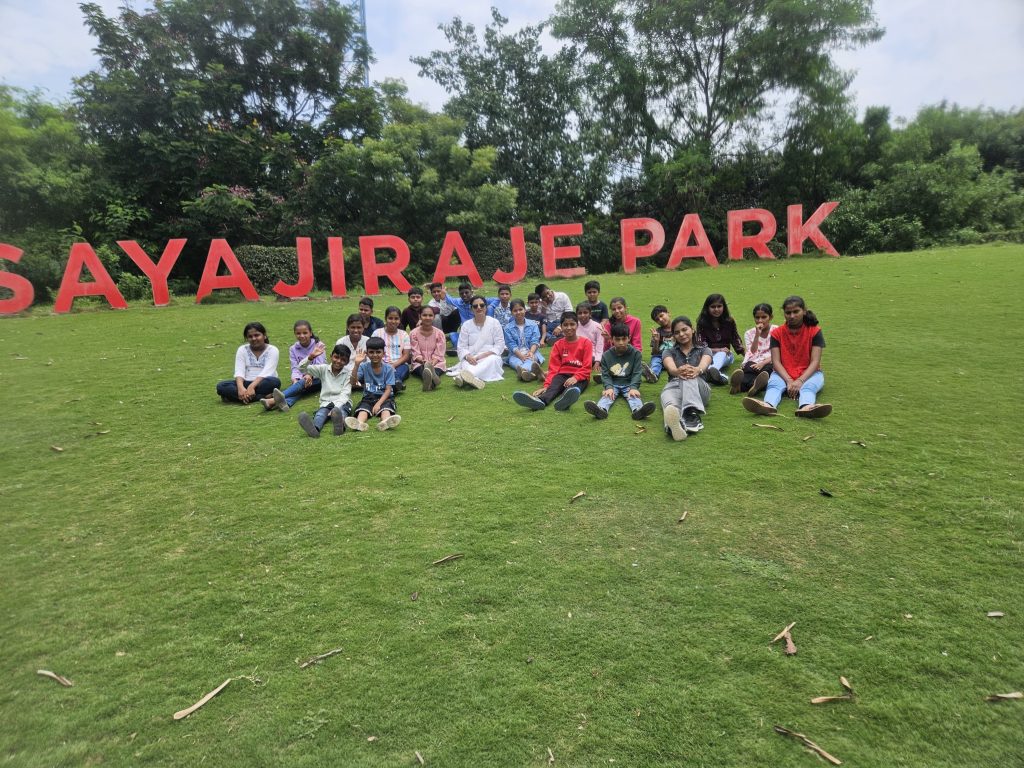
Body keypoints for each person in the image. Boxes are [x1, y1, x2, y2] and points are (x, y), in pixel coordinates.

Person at [743, 296, 832, 418]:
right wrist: (789, 380)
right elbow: (776, 362)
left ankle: (806, 407)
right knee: (774, 386)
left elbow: (815, 361)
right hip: (783, 373)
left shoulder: (815, 331)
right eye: (788, 313)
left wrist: (800, 381)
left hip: (811, 373)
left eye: (796, 312)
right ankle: (767, 405)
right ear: (784, 313)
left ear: (804, 311)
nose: (792, 316)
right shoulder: (777, 333)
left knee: (808, 388)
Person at [512, 311, 592, 411]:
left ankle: (564, 401)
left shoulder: (586, 343)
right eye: (565, 325)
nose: (569, 327)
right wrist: (546, 386)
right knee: (553, 387)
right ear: (561, 327)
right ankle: (540, 401)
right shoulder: (558, 344)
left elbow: (587, 367)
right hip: (562, 374)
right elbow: (554, 368)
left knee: (572, 389)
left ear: (577, 325)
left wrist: (576, 377)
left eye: (572, 324)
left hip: (580, 376)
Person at [583, 323, 656, 420]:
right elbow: (606, 375)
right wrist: (609, 387)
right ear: (612, 339)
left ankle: (638, 410)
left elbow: (637, 373)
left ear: (629, 338)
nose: (621, 342)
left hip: (629, 383)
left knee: (633, 396)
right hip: (613, 383)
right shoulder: (606, 356)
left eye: (624, 339)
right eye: (617, 339)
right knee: (608, 395)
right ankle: (601, 409)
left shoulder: (636, 354)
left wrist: (634, 387)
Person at [660, 316, 713, 441]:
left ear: (692, 329)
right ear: (674, 336)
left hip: (698, 388)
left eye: (684, 330)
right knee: (670, 406)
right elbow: (671, 368)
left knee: (688, 374)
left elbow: (704, 364)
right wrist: (677, 371)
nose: (681, 334)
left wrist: (697, 370)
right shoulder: (668, 351)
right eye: (677, 332)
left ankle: (691, 414)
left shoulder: (704, 349)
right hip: (674, 386)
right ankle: (672, 427)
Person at [261, 319, 322, 412]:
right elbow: (295, 367)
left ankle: (273, 400)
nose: (302, 336)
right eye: (298, 333)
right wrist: (295, 379)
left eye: (305, 333)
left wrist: (309, 375)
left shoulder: (318, 345)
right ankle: (286, 403)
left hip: (318, 378)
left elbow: (320, 365)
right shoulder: (293, 349)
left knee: (301, 384)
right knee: (300, 386)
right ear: (295, 334)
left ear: (310, 333)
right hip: (302, 380)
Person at [295, 343, 353, 437]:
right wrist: (310, 357)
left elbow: (345, 394)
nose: (338, 361)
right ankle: (314, 429)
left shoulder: (349, 373)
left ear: (347, 362)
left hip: (343, 402)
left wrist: (336, 408)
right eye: (336, 357)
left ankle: (340, 427)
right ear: (331, 356)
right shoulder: (323, 369)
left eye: (343, 360)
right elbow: (301, 369)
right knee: (320, 414)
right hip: (326, 402)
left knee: (341, 412)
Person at [216, 322, 281, 404]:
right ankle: (263, 397)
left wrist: (252, 386)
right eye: (250, 336)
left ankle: (238, 397)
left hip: (263, 382)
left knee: (274, 382)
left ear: (264, 335)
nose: (253, 338)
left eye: (257, 335)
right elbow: (239, 371)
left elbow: (267, 372)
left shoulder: (273, 350)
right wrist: (240, 388)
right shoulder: (242, 349)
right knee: (221, 386)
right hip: (245, 382)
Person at [345, 337, 401, 431]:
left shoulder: (389, 369)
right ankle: (360, 423)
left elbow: (388, 390)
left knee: (386, 409)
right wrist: (356, 364)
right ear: (366, 353)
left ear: (383, 353)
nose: (375, 355)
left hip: (385, 398)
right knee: (363, 410)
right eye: (371, 352)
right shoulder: (363, 366)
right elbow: (353, 382)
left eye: (378, 352)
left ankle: (385, 422)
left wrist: (378, 404)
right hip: (368, 397)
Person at [449, 295, 506, 389]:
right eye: (475, 306)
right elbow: (461, 346)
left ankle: (465, 377)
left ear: (486, 307)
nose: (479, 308)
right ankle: (472, 378)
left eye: (482, 305)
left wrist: (483, 355)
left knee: (493, 360)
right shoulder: (466, 325)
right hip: (472, 357)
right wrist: (468, 356)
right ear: (471, 309)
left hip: (489, 356)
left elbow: (499, 345)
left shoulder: (494, 323)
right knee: (466, 363)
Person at [695, 293, 743, 386]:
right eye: (713, 307)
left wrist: (747, 357)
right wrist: (717, 349)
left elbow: (735, 338)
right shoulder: (702, 323)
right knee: (702, 359)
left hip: (726, 355)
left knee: (721, 354)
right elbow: (700, 345)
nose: (716, 309)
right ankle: (722, 378)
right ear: (707, 308)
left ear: (723, 307)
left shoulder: (729, 321)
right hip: (707, 354)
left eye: (719, 306)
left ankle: (710, 371)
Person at [729, 303, 777, 395]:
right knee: (748, 368)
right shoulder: (749, 333)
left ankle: (742, 386)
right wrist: (757, 335)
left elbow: (778, 353)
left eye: (764, 317)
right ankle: (753, 385)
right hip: (754, 361)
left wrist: (762, 363)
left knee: (766, 371)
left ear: (770, 317)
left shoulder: (777, 331)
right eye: (757, 317)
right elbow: (752, 351)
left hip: (770, 361)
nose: (760, 320)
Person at [503, 298, 544, 382]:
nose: (518, 312)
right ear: (511, 312)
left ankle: (523, 371)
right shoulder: (507, 328)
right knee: (514, 362)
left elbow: (535, 340)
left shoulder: (533, 324)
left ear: (525, 309)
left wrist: (531, 352)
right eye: (515, 311)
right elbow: (511, 344)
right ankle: (532, 374)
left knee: (531, 359)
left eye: (520, 309)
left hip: (532, 352)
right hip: (515, 354)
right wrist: (520, 356)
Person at [372, 306, 411, 390]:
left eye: (396, 319)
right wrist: (384, 365)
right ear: (385, 318)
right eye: (390, 318)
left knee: (404, 369)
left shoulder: (404, 334)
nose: (393, 321)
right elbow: (372, 351)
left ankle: (394, 382)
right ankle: (395, 384)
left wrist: (393, 365)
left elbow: (406, 355)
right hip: (380, 364)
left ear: (400, 320)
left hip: (399, 365)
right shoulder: (377, 333)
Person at [409, 304, 447, 390]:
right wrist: (424, 362)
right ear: (420, 316)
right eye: (424, 315)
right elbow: (415, 352)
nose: (427, 318)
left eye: (430, 315)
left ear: (434, 317)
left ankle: (431, 379)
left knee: (434, 370)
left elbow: (439, 353)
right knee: (423, 370)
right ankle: (433, 380)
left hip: (437, 363)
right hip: (419, 363)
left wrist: (432, 363)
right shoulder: (413, 333)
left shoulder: (439, 334)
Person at [642, 305, 673, 383]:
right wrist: (656, 341)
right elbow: (654, 352)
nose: (661, 319)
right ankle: (653, 375)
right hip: (660, 356)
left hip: (675, 356)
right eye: (657, 319)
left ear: (668, 313)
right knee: (656, 362)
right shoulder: (657, 332)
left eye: (661, 315)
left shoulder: (678, 328)